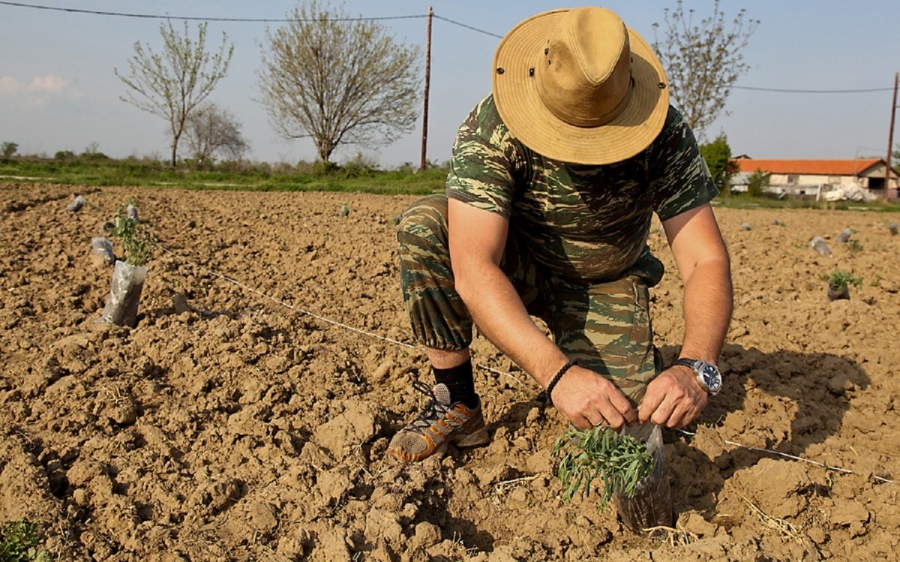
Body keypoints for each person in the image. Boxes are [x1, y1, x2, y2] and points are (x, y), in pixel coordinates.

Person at [386, 6, 733, 463]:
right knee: (425, 225)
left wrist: (695, 367)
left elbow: (704, 258)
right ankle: (457, 402)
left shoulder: (664, 134)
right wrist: (558, 375)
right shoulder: (492, 127)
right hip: (518, 269)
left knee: (622, 430)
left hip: (606, 280)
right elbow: (474, 266)